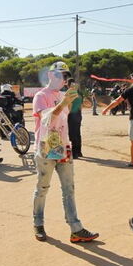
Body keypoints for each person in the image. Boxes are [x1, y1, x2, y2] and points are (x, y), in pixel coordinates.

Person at [31, 61, 98, 243]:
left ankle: (75, 228)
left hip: (62, 146)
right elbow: (47, 118)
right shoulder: (40, 96)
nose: (63, 79)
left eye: (66, 76)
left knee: (69, 189)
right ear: (51, 76)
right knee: (42, 188)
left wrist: (76, 98)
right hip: (45, 147)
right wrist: (63, 102)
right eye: (60, 75)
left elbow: (66, 118)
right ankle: (38, 223)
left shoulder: (64, 95)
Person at [67, 79, 87, 159]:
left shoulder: (69, 93)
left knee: (72, 134)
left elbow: (69, 106)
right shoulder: (80, 93)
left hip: (71, 114)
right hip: (78, 114)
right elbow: (81, 106)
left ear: (68, 85)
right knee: (78, 133)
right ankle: (79, 152)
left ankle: (74, 153)